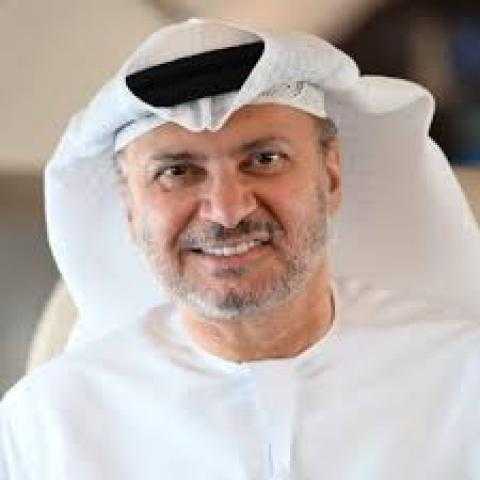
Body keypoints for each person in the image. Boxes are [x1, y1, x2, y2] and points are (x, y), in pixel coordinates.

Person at [1, 18, 479, 479]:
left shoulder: (462, 379)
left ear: (331, 175)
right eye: (177, 172)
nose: (227, 211)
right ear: (130, 206)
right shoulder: (49, 426)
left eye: (264, 159)